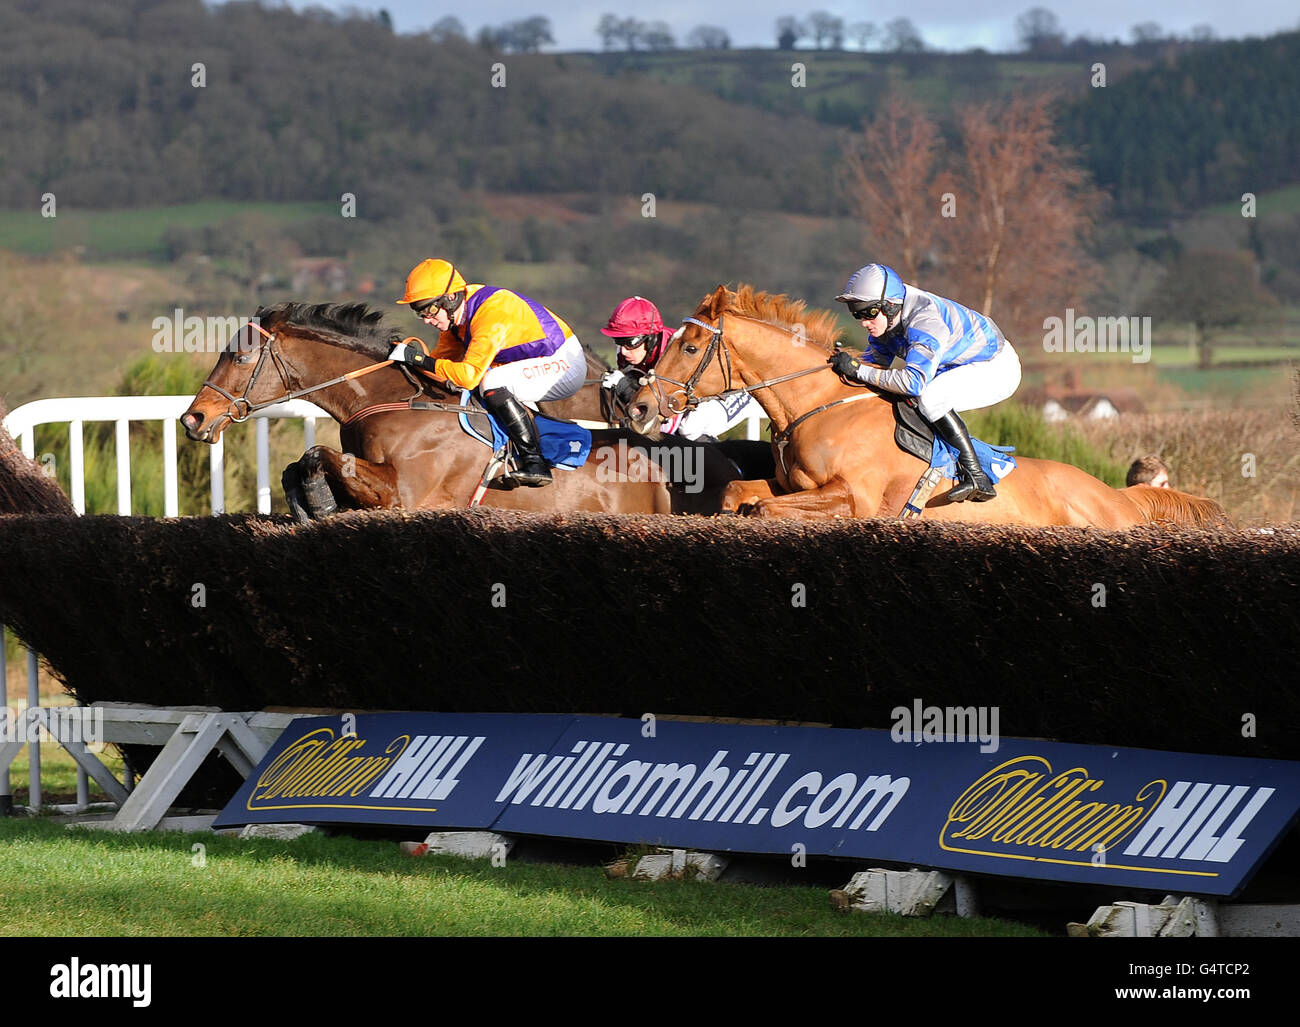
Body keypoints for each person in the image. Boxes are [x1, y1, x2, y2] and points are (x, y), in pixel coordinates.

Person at [827, 263, 1022, 502]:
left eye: (868, 313)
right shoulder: (886, 319)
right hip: (958, 363)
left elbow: (912, 383)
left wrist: (857, 369)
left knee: (930, 399)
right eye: (857, 314)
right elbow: (873, 368)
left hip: (996, 367)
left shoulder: (925, 321)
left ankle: (977, 476)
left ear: (889, 306)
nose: (863, 322)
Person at [391, 258, 586, 487]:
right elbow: (441, 366)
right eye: (419, 313)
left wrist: (418, 359)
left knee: (491, 381)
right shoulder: (456, 320)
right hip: (532, 362)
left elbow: (467, 375)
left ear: (451, 298)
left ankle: (535, 463)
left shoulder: (490, 311)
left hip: (563, 364)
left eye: (430, 310)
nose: (426, 320)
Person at [599, 296, 754, 441]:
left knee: (689, 429)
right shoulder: (625, 354)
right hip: (689, 392)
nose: (624, 350)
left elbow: (668, 422)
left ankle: (727, 466)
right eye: (618, 341)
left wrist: (625, 387)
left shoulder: (669, 355)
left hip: (735, 389)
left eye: (630, 342)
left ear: (651, 338)